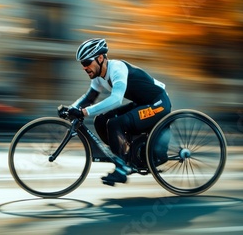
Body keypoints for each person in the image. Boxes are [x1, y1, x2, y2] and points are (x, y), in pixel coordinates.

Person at [62, 38, 172, 186]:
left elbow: (116, 99)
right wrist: (71, 109)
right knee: (100, 121)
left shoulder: (117, 68)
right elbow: (89, 98)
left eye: (86, 62)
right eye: (82, 64)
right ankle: (124, 157)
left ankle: (121, 169)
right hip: (142, 104)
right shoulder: (98, 77)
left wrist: (84, 112)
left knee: (115, 124)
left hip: (158, 103)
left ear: (100, 58)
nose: (84, 67)